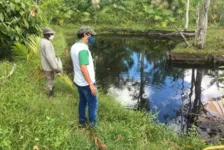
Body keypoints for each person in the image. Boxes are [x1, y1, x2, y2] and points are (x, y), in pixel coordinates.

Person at [70, 25, 98, 127]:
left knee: (82, 102)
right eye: (91, 35)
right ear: (85, 34)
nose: (92, 37)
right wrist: (91, 84)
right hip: (86, 83)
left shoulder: (74, 46)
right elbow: (83, 67)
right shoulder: (82, 49)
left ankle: (82, 122)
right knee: (92, 105)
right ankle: (93, 126)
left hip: (78, 81)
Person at [40, 27, 60, 97]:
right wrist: (55, 67)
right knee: (50, 81)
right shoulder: (47, 43)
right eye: (51, 34)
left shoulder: (42, 41)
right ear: (47, 35)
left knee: (49, 80)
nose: (52, 35)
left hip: (45, 65)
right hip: (49, 66)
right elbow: (49, 57)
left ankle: (49, 94)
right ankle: (49, 95)